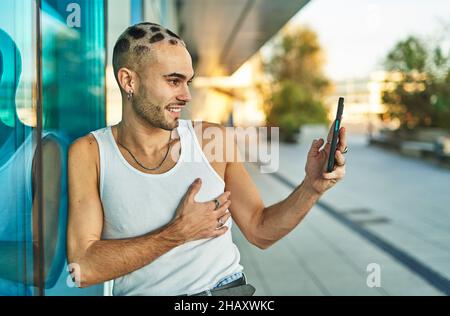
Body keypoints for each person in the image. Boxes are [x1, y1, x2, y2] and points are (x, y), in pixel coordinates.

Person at [67, 22, 348, 296]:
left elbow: (260, 230)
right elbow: (83, 268)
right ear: (129, 80)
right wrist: (177, 233)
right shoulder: (90, 153)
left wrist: (311, 187)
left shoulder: (211, 140)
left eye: (188, 82)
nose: (186, 95)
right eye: (173, 80)